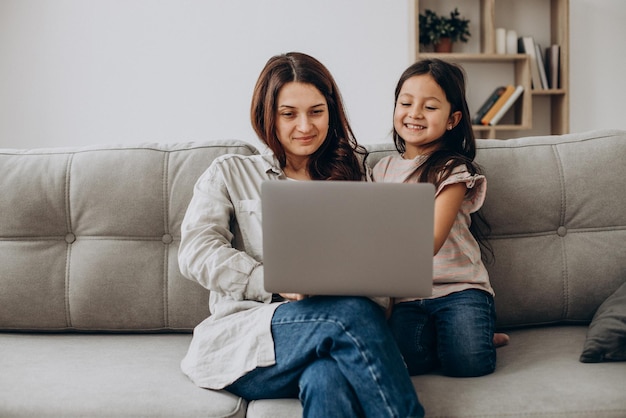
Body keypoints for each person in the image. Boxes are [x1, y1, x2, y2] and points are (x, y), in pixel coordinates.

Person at [178, 52, 424, 418]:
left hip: (337, 341)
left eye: (316, 112)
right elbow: (196, 251)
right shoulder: (229, 173)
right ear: (268, 115)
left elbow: (383, 270)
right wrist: (274, 281)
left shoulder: (355, 176)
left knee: (326, 380)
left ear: (331, 112)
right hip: (252, 344)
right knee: (348, 315)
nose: (305, 126)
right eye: (288, 114)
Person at [373, 58, 508, 378]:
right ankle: (458, 337)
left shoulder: (453, 172)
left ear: (452, 119)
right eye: (406, 103)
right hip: (408, 297)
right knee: (411, 364)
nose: (415, 113)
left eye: (430, 107)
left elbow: (431, 240)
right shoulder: (380, 171)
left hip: (459, 288)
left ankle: (480, 336)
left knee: (469, 363)